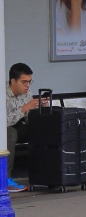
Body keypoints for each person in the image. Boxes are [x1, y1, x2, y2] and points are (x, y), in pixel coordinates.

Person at [6, 63, 43, 191]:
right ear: (13, 81)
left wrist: (38, 110)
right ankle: (5, 178)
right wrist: (25, 108)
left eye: (29, 82)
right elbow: (2, 122)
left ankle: (46, 173)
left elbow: (28, 119)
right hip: (4, 128)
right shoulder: (2, 93)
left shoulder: (26, 92)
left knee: (41, 129)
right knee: (10, 133)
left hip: (17, 126)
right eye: (24, 82)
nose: (27, 86)